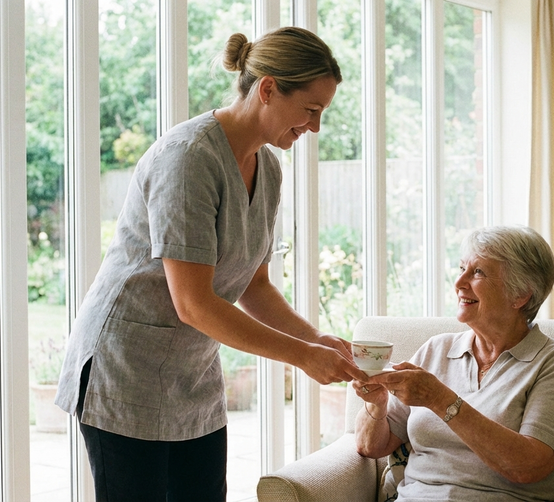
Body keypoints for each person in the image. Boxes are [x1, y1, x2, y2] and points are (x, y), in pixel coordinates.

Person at [55, 27, 366, 501]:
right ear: (267, 89)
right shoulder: (188, 158)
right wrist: (302, 357)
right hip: (127, 371)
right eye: (311, 110)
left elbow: (254, 284)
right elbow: (195, 304)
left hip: (191, 377)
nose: (315, 127)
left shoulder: (269, 166)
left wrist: (315, 338)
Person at [352, 225, 554, 501]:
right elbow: (369, 446)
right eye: (462, 268)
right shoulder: (436, 350)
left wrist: (440, 399)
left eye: (477, 272)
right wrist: (375, 403)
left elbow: (528, 467)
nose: (459, 282)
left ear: (520, 295)